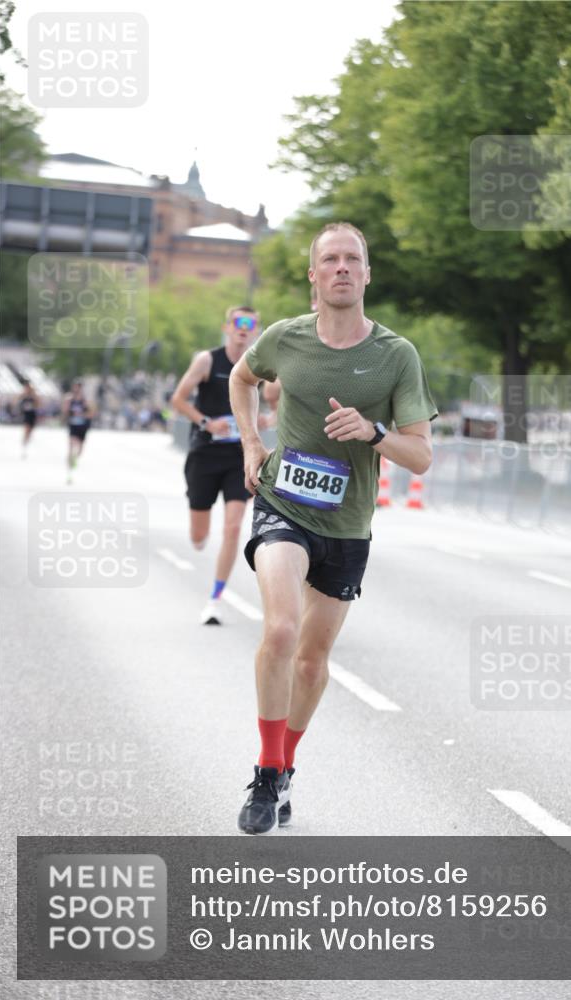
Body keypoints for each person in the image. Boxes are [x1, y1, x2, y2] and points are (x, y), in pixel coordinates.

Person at [229, 222, 438, 834]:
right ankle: (267, 774)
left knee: (313, 661)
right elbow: (242, 378)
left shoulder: (395, 355)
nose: (342, 268)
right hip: (282, 506)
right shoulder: (284, 339)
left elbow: (421, 456)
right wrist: (250, 442)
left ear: (367, 275)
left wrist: (374, 433)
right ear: (314, 276)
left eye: (353, 259)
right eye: (331, 259)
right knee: (282, 628)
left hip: (347, 527)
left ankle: (285, 767)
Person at [171, 306, 273, 625]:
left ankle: (215, 598)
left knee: (233, 526)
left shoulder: (260, 364)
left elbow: (279, 397)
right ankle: (199, 537)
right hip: (204, 454)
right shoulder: (207, 360)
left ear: (257, 331)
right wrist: (205, 422)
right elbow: (178, 399)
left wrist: (268, 419)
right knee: (198, 536)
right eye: (238, 323)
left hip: (238, 457)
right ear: (226, 327)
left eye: (251, 324)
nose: (244, 329)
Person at [62, 379, 94, 483]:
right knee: (71, 444)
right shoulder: (69, 399)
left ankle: (75, 458)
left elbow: (91, 414)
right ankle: (69, 471)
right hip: (73, 425)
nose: (76, 389)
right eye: (75, 386)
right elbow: (65, 412)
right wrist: (69, 413)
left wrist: (82, 414)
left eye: (78, 387)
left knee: (79, 449)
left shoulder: (86, 400)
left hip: (83, 426)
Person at [17, 379, 40, 457]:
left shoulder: (33, 395)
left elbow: (38, 404)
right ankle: (24, 445)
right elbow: (17, 401)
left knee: (30, 431)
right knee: (26, 429)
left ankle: (26, 441)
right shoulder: (23, 395)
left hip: (32, 414)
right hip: (26, 414)